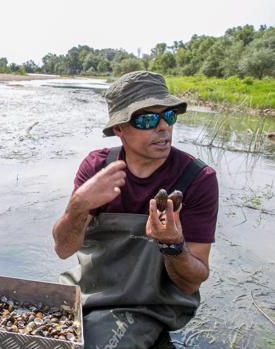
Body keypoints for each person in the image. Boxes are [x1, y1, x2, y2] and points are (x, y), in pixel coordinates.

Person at [52, 71, 218, 348]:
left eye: (169, 115)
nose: (163, 127)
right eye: (147, 119)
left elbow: (191, 284)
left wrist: (172, 245)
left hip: (148, 305)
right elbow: (63, 249)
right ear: (119, 129)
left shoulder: (197, 179)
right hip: (87, 292)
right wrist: (78, 206)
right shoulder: (97, 168)